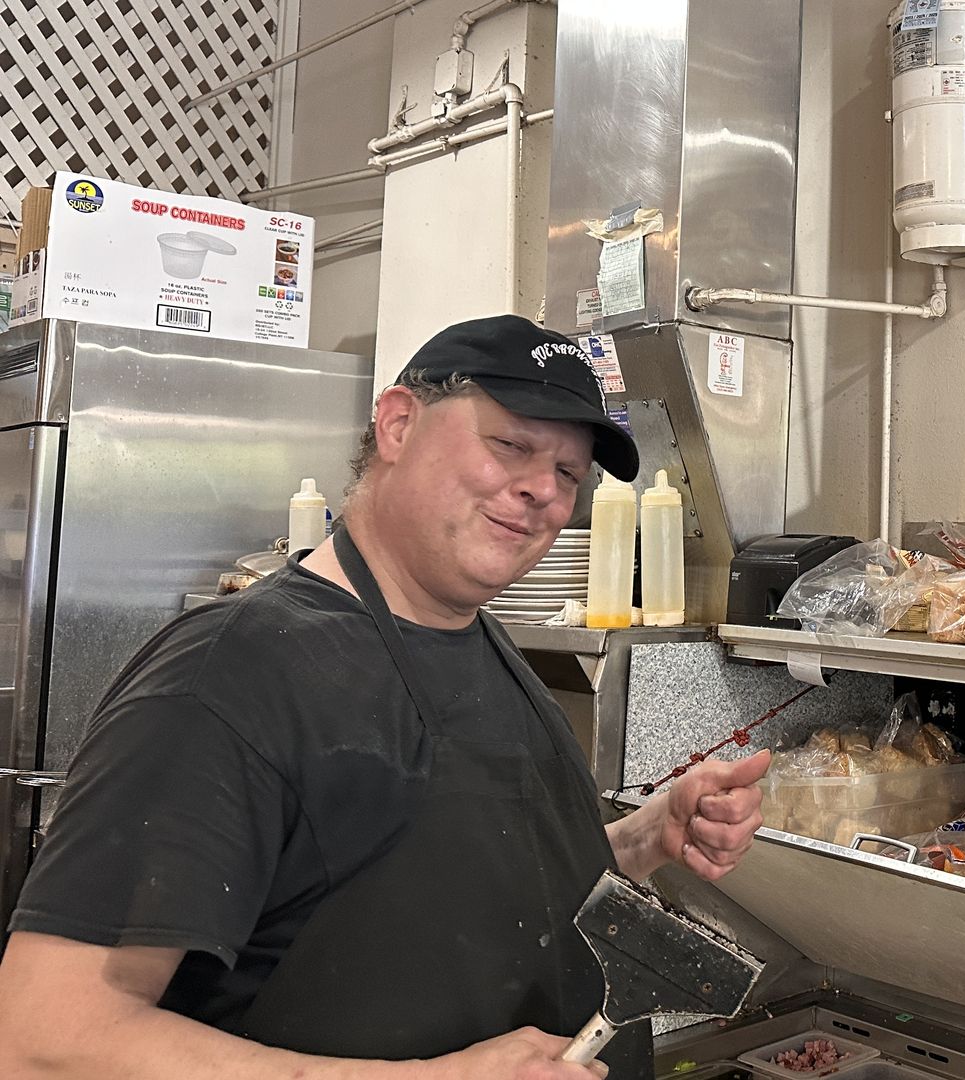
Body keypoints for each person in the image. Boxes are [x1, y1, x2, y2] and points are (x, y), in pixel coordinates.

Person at [0, 314, 769, 1079]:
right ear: (399, 424)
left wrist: (646, 837)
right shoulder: (232, 674)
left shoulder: (482, 640)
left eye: (570, 474)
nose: (542, 489)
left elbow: (457, 890)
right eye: (512, 445)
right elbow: (46, 1038)